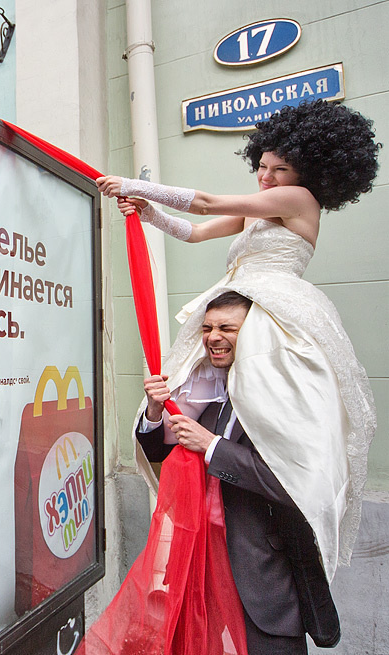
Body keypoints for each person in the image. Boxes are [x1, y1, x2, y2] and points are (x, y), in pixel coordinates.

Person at [97, 99, 379, 585]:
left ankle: (264, 478)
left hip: (273, 310)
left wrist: (134, 184)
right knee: (194, 388)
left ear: (307, 172)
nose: (266, 178)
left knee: (269, 410)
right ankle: (191, 451)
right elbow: (194, 230)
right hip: (238, 300)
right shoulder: (259, 211)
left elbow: (207, 202)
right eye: (262, 166)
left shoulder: (299, 200)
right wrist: (148, 213)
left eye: (280, 169)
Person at [136, 292, 335, 654]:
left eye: (228, 327)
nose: (213, 336)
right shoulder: (208, 390)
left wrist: (212, 447)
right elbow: (157, 450)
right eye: (208, 327)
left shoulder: (286, 398)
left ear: (256, 335)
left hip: (262, 580)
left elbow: (292, 485)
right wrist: (153, 411)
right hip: (203, 572)